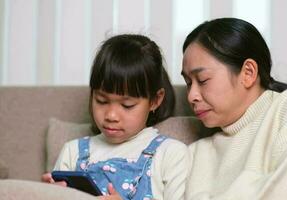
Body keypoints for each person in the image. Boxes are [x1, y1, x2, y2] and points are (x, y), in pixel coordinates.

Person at [181, 17, 287, 199]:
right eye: (188, 83)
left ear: (248, 73)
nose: (191, 95)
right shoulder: (196, 154)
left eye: (202, 80)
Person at [42, 34, 190, 200]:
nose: (111, 115)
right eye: (101, 101)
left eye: (127, 105)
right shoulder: (73, 151)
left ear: (155, 100)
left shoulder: (170, 154)